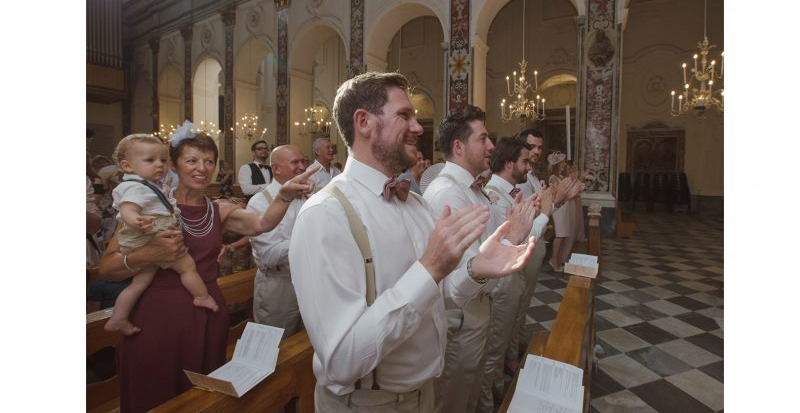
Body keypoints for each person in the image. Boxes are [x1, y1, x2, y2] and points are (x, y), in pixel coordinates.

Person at [289, 72, 536, 413]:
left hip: (424, 394)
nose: (419, 128)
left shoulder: (415, 204)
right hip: (366, 404)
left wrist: (475, 269)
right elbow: (343, 360)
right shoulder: (325, 214)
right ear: (364, 122)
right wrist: (430, 267)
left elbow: (441, 294)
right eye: (405, 116)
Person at [99, 123, 316, 413]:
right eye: (192, 161)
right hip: (155, 319)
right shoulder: (148, 208)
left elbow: (262, 224)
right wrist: (149, 253)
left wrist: (285, 194)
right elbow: (107, 268)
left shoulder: (220, 209)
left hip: (207, 315)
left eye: (209, 161)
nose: (202, 168)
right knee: (155, 395)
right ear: (173, 165)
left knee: (206, 400)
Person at [423, 106, 536, 413]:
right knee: (454, 399)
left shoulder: (472, 190)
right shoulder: (449, 193)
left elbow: (481, 250)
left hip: (478, 307)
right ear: (458, 147)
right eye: (483, 139)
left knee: (470, 393)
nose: (490, 147)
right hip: (461, 314)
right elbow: (463, 274)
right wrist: (512, 239)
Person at [478, 138, 563, 413]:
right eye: (525, 161)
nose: (529, 166)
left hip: (511, 278)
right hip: (500, 284)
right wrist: (543, 215)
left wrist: (537, 211)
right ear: (508, 163)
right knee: (493, 348)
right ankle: (490, 402)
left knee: (504, 339)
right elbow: (515, 243)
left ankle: (498, 389)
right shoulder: (492, 195)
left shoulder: (509, 193)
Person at [104, 134, 219, 335]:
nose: (159, 165)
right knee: (187, 267)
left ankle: (119, 317)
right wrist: (137, 223)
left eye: (162, 160)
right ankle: (202, 297)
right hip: (149, 240)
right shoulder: (136, 187)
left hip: (152, 235)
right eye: (150, 160)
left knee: (139, 282)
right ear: (128, 166)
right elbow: (127, 209)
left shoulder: (155, 187)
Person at [247, 144, 309, 339]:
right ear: (276, 168)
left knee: (304, 346)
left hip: (308, 281)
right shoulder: (260, 202)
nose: (302, 167)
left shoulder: (307, 196)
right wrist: (309, 237)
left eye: (303, 161)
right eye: (295, 162)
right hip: (278, 286)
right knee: (275, 345)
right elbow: (269, 256)